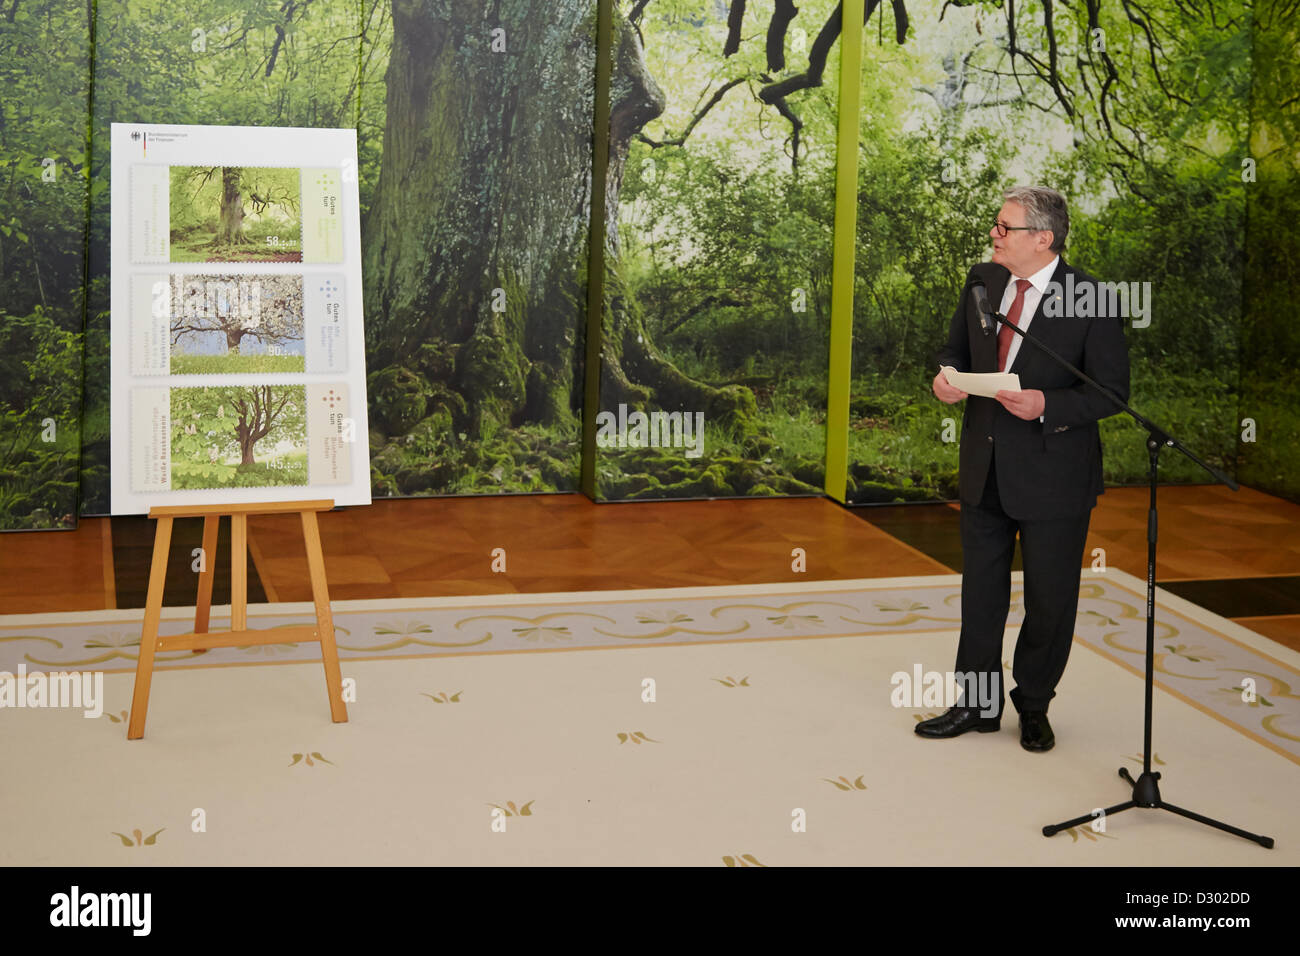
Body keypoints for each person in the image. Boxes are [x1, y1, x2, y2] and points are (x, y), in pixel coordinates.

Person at [916, 185, 1130, 752]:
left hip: (1054, 474)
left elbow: (1112, 393)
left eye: (1004, 227)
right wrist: (946, 378)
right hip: (984, 465)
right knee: (981, 592)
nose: (994, 234)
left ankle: (1033, 705)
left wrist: (1047, 406)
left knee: (1049, 598)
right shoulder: (982, 282)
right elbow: (954, 351)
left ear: (1043, 238)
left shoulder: (1091, 297)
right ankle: (977, 706)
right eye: (996, 225)